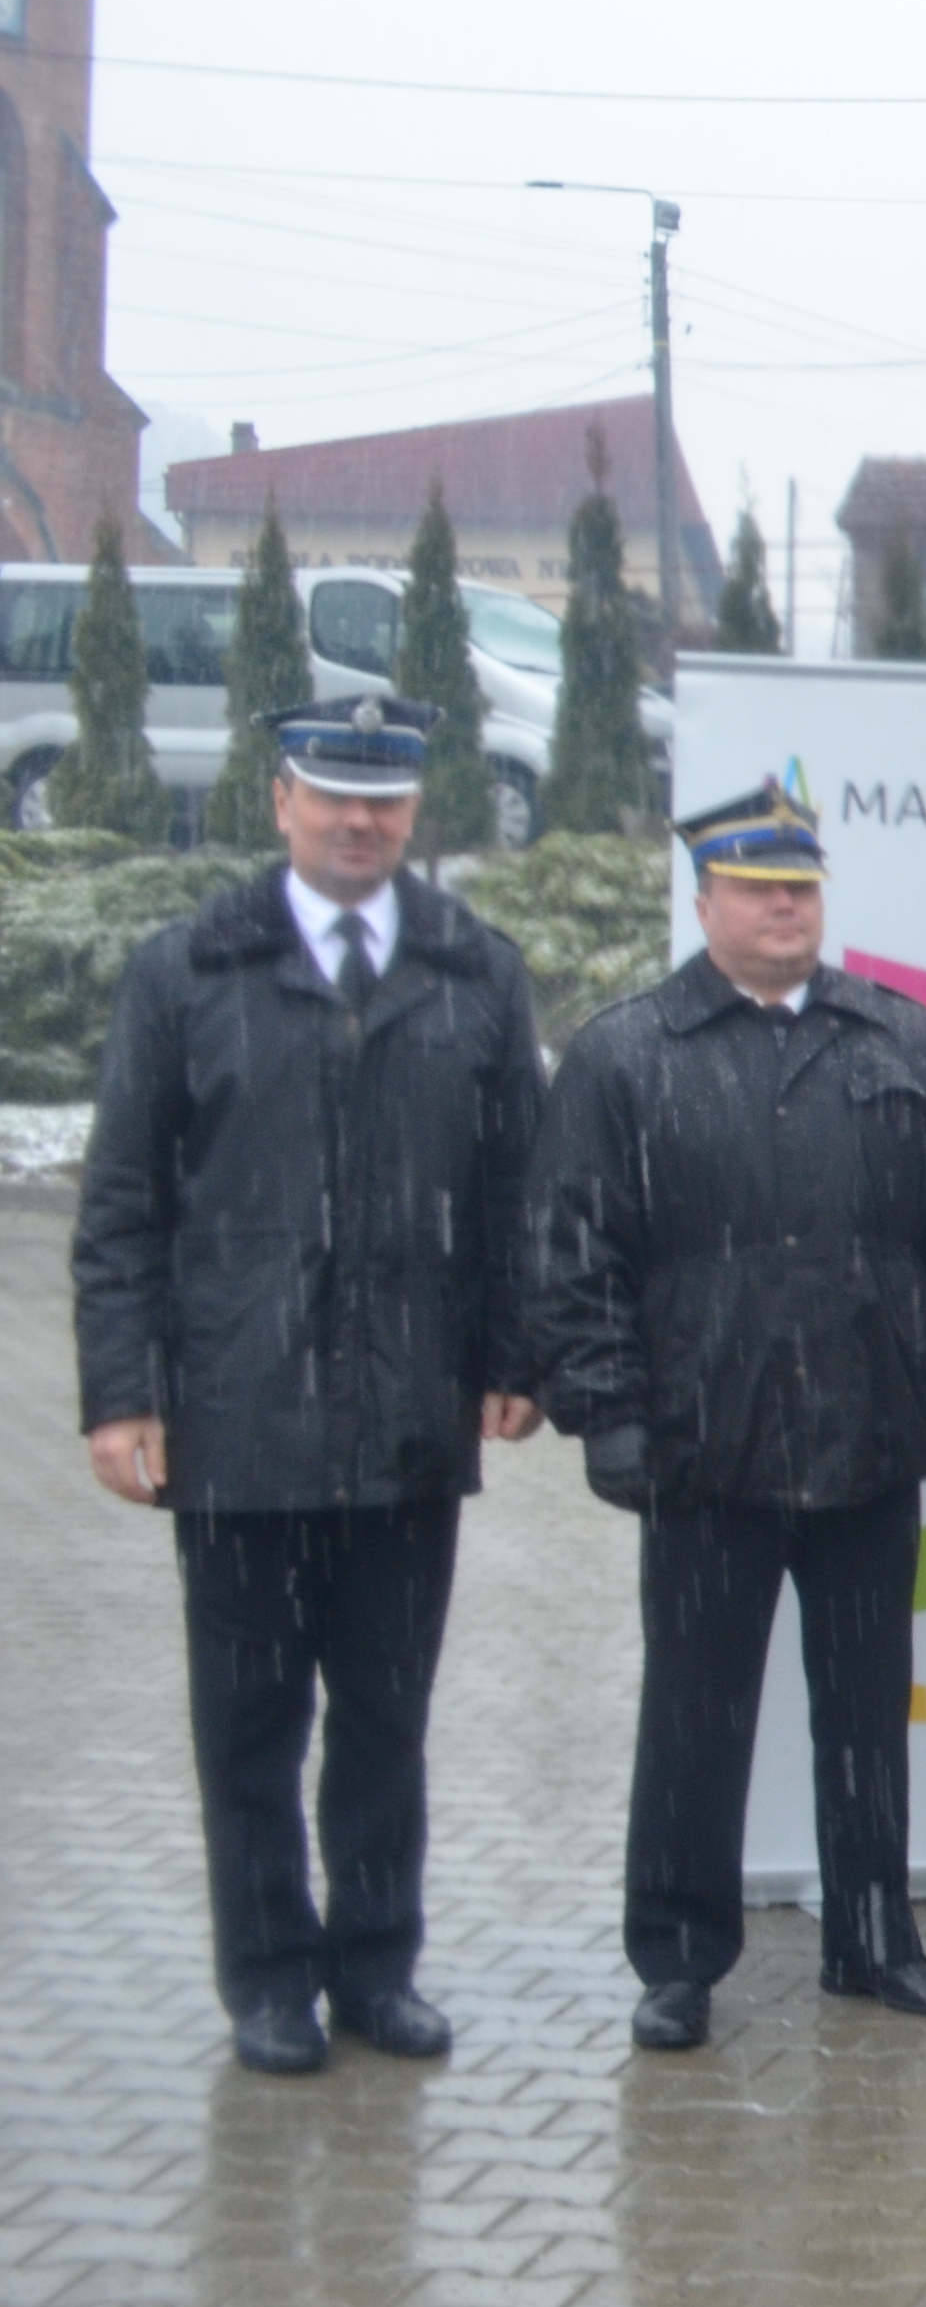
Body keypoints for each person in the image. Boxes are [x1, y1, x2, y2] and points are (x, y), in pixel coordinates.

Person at [528, 768, 926, 2052]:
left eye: (800, 889)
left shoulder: (899, 1040)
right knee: (696, 1717)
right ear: (703, 903)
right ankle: (680, 1958)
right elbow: (573, 1253)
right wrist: (608, 1413)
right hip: (705, 1456)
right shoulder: (625, 1053)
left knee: (865, 1712)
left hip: (871, 1447)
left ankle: (873, 1941)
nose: (782, 910)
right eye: (756, 890)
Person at [73, 697, 542, 2076]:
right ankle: (270, 1975)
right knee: (251, 1725)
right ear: (278, 799)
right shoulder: (188, 969)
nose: (359, 822)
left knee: (387, 1722)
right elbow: (120, 1206)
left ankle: (376, 1970)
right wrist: (121, 1393)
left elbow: (522, 1188)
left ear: (415, 810)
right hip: (237, 1418)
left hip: (407, 1422)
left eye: (384, 801)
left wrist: (516, 1355)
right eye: (332, 795)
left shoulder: (475, 971)